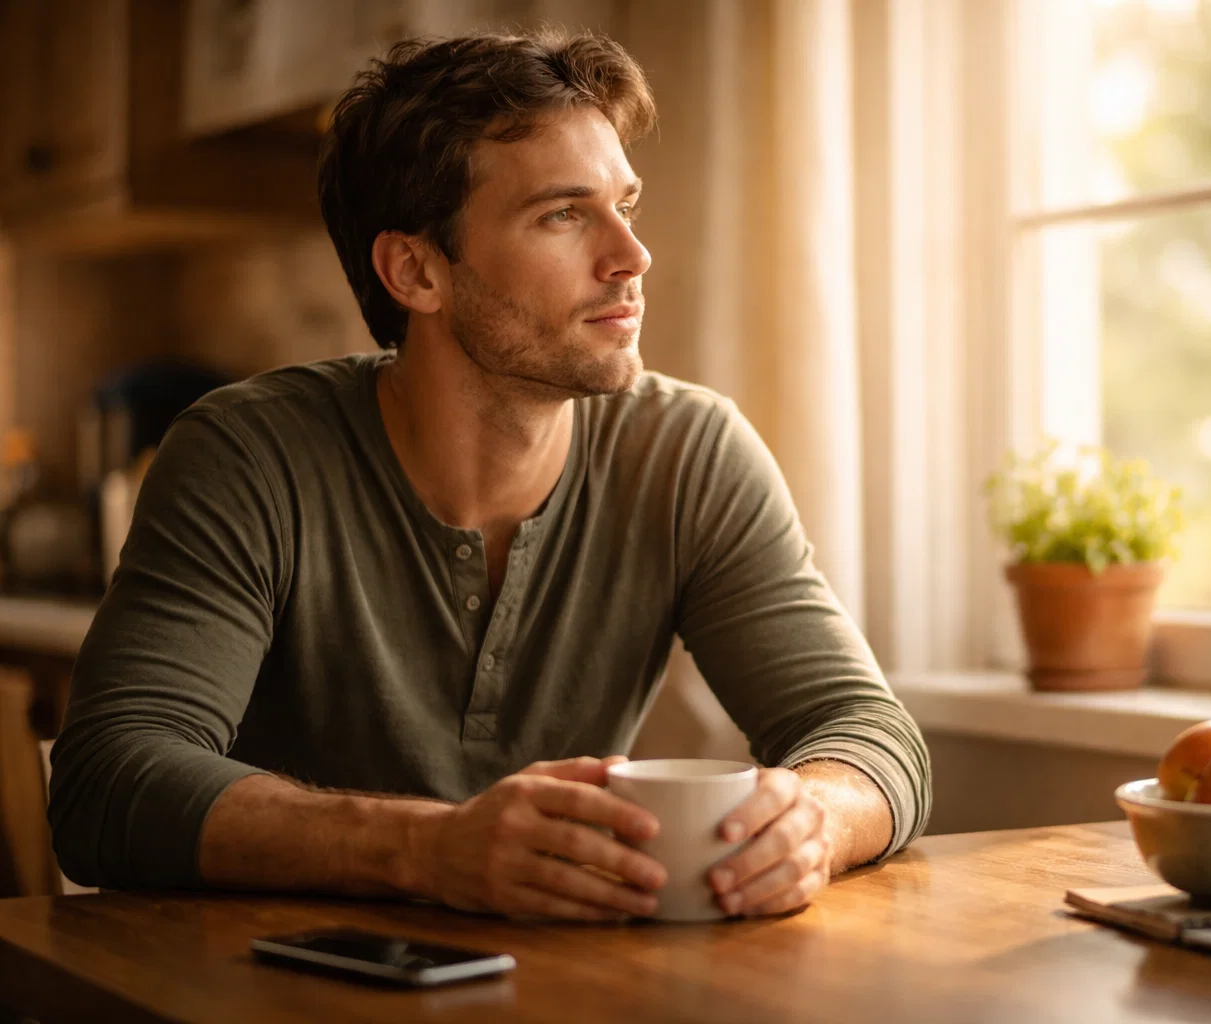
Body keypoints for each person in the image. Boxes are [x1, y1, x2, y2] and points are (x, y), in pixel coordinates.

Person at [48, 30, 930, 922]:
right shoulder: (248, 454)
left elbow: (872, 739)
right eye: (563, 214)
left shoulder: (689, 452)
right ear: (416, 270)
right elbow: (107, 780)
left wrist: (812, 818)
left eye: (625, 203)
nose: (631, 254)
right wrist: (429, 848)